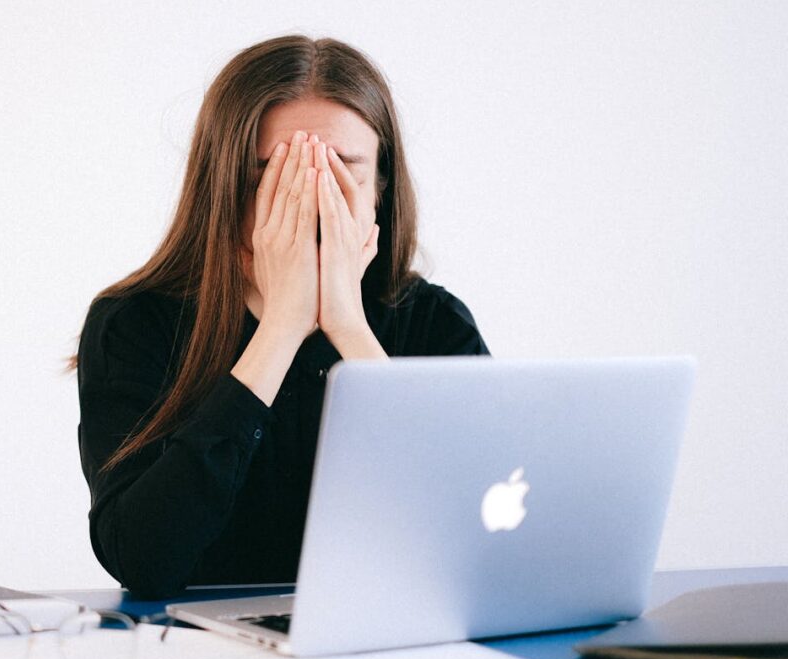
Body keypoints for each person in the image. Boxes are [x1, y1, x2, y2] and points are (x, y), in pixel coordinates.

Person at [67, 35, 490, 600]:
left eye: (342, 174)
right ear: (225, 188)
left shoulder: (434, 323)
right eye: (276, 175)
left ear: (380, 191)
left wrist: (348, 328)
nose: (311, 201)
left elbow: (474, 539)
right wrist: (281, 329)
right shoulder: (133, 324)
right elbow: (144, 560)